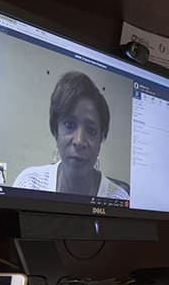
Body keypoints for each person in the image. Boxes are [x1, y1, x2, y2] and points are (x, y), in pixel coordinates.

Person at [13, 71, 129, 200]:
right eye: (69, 125)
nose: (79, 141)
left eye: (91, 131)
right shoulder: (29, 184)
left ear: (101, 139)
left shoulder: (119, 198)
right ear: (55, 130)